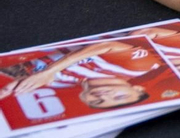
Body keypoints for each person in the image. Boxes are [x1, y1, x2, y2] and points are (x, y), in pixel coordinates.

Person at [0, 41, 159, 110]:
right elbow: (106, 46)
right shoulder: (138, 68)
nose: (104, 96)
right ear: (138, 88)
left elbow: (21, 66)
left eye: (97, 101)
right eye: (119, 97)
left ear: (84, 99)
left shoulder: (60, 84)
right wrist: (49, 71)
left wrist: (17, 81)